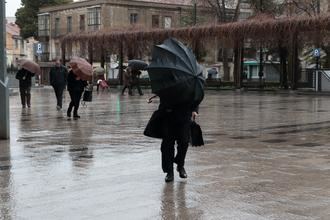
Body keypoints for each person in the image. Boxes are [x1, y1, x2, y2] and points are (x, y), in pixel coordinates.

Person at [158, 101, 198, 183]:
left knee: (184, 142)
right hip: (168, 115)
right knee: (167, 145)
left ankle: (180, 165)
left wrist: (194, 109)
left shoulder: (189, 87)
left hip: (185, 114)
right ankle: (169, 172)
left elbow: (195, 94)